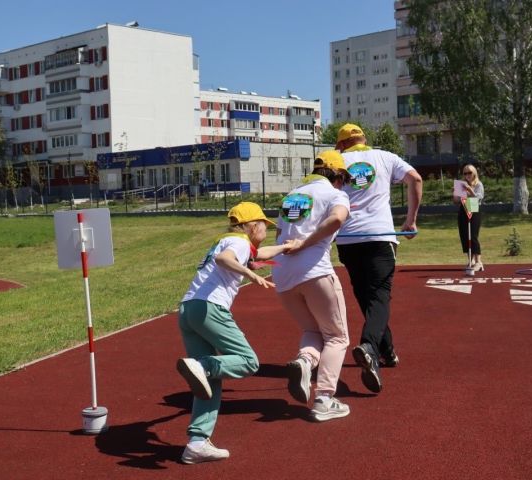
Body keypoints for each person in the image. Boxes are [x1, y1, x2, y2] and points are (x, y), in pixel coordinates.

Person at [176, 202, 292, 464]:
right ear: (252, 226)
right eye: (263, 224)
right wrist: (251, 275)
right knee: (248, 361)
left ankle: (197, 442)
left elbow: (259, 254)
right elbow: (224, 260)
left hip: (188, 309)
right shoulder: (238, 242)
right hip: (210, 308)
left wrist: (287, 247)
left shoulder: (231, 240)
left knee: (211, 379)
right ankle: (200, 365)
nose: (266, 228)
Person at [334, 123, 422, 394]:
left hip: (347, 239)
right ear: (364, 140)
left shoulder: (336, 161)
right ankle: (370, 346)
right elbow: (416, 179)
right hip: (380, 236)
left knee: (365, 297)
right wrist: (410, 220)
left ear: (342, 145)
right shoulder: (385, 157)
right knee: (379, 297)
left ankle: (387, 351)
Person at [272, 150, 352, 422]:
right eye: (344, 179)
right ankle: (324, 399)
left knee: (311, 329)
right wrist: (307, 243)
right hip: (315, 271)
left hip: (282, 276)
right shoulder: (335, 194)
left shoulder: (292, 195)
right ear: (338, 175)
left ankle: (305, 361)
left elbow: (279, 234)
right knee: (337, 336)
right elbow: (338, 218)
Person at [453, 164, 485, 272]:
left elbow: (478, 198)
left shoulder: (478, 184)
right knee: (465, 235)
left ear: (474, 173)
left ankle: (479, 262)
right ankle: (470, 260)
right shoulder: (461, 184)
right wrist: (456, 193)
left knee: (473, 235)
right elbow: (456, 201)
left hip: (474, 207)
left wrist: (469, 190)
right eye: (465, 173)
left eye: (469, 172)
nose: (467, 175)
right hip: (463, 208)